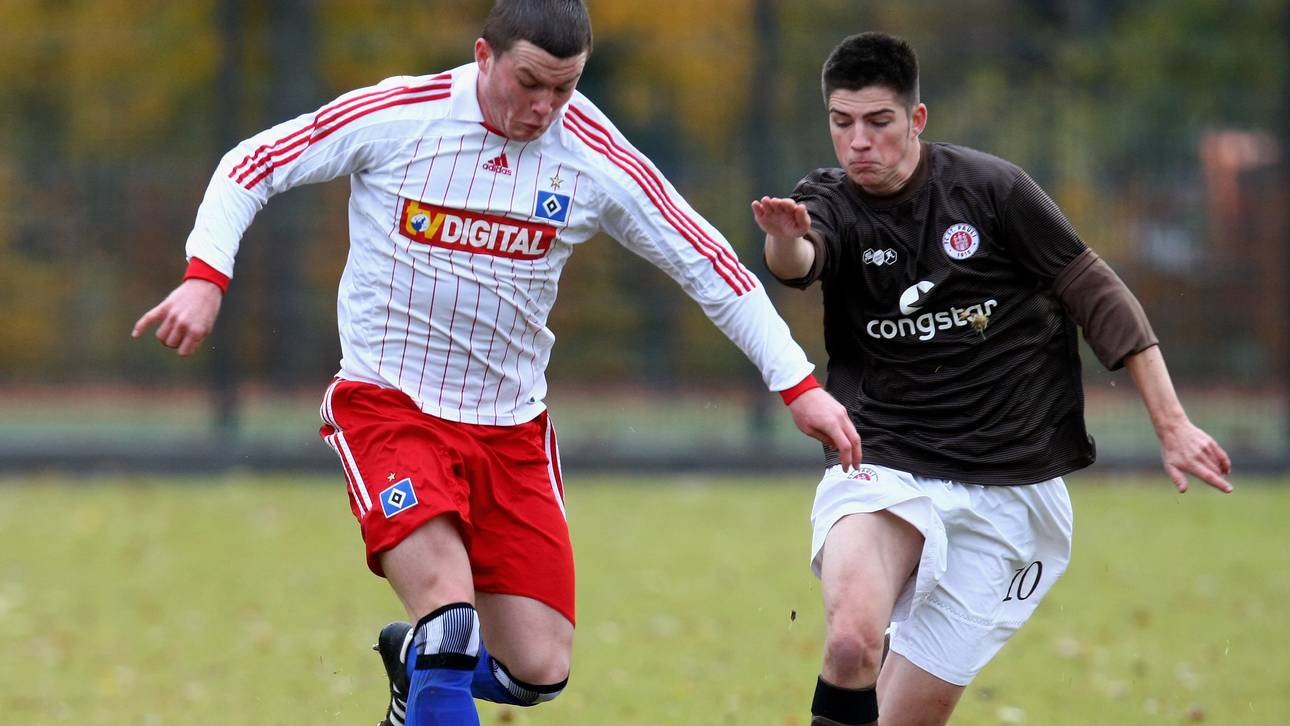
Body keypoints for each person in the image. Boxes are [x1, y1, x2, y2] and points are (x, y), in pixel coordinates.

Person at [132, 1, 860, 725]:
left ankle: (410, 677)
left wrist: (797, 386)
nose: (544, 107)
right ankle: (430, 666)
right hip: (390, 407)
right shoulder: (402, 115)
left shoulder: (592, 155)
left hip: (510, 432)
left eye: (564, 88)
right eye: (529, 82)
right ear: (484, 56)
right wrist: (205, 275)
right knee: (450, 628)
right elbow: (251, 163)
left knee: (538, 671)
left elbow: (707, 264)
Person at [752, 31, 1233, 726]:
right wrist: (783, 235)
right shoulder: (828, 201)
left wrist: (1173, 423)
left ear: (916, 120)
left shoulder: (991, 190)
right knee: (853, 641)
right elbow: (800, 260)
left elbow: (1100, 297)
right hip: (884, 459)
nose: (859, 142)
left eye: (879, 122)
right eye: (841, 122)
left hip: (1010, 492)